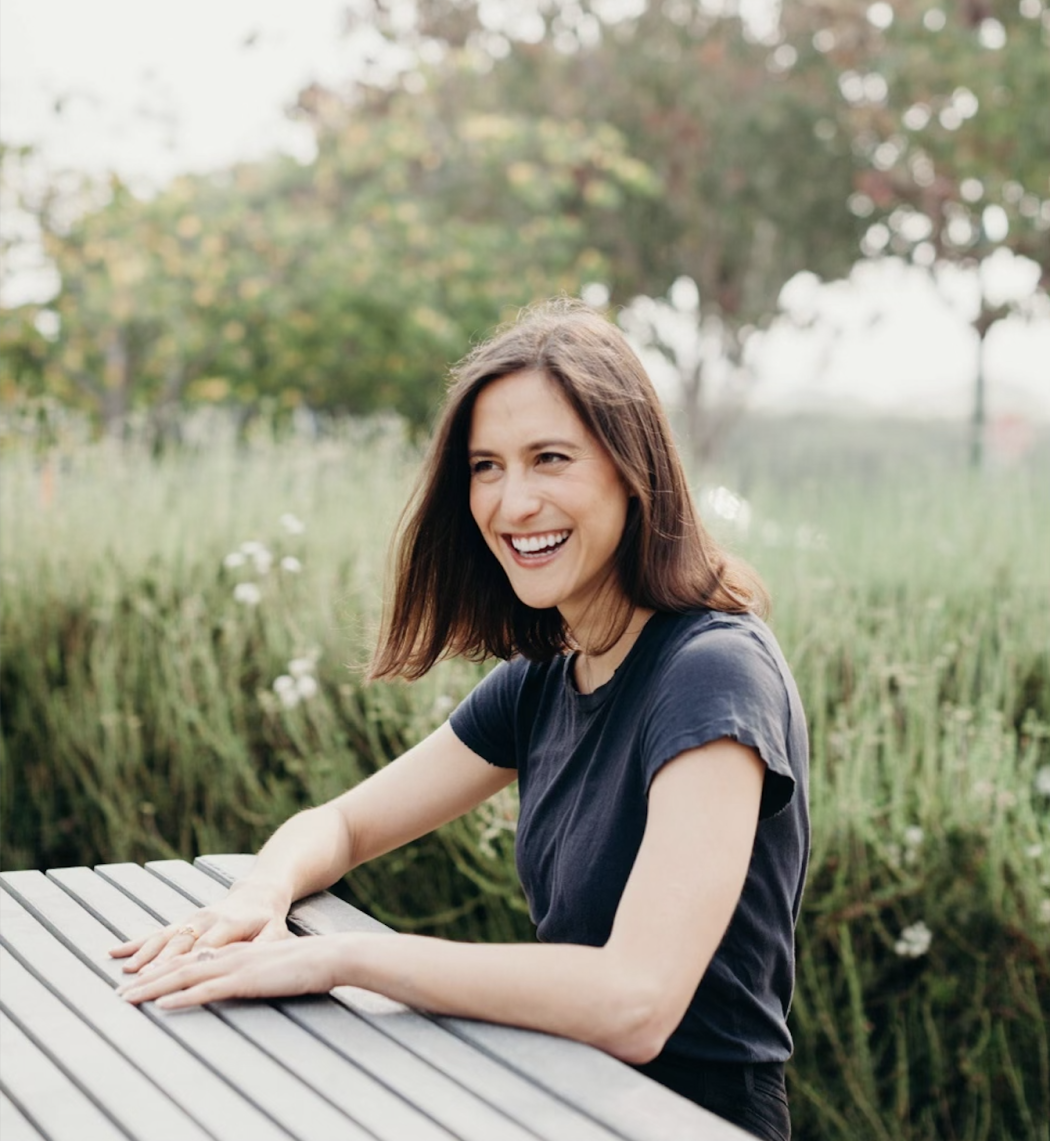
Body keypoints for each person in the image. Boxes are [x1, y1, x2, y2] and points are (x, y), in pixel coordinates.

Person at [115, 300, 809, 1141]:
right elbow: (338, 822)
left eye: (549, 458)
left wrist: (346, 956)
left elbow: (637, 1002)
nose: (513, 502)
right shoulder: (549, 677)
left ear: (634, 471)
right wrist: (261, 895)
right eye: (487, 466)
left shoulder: (712, 672)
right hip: (563, 1099)